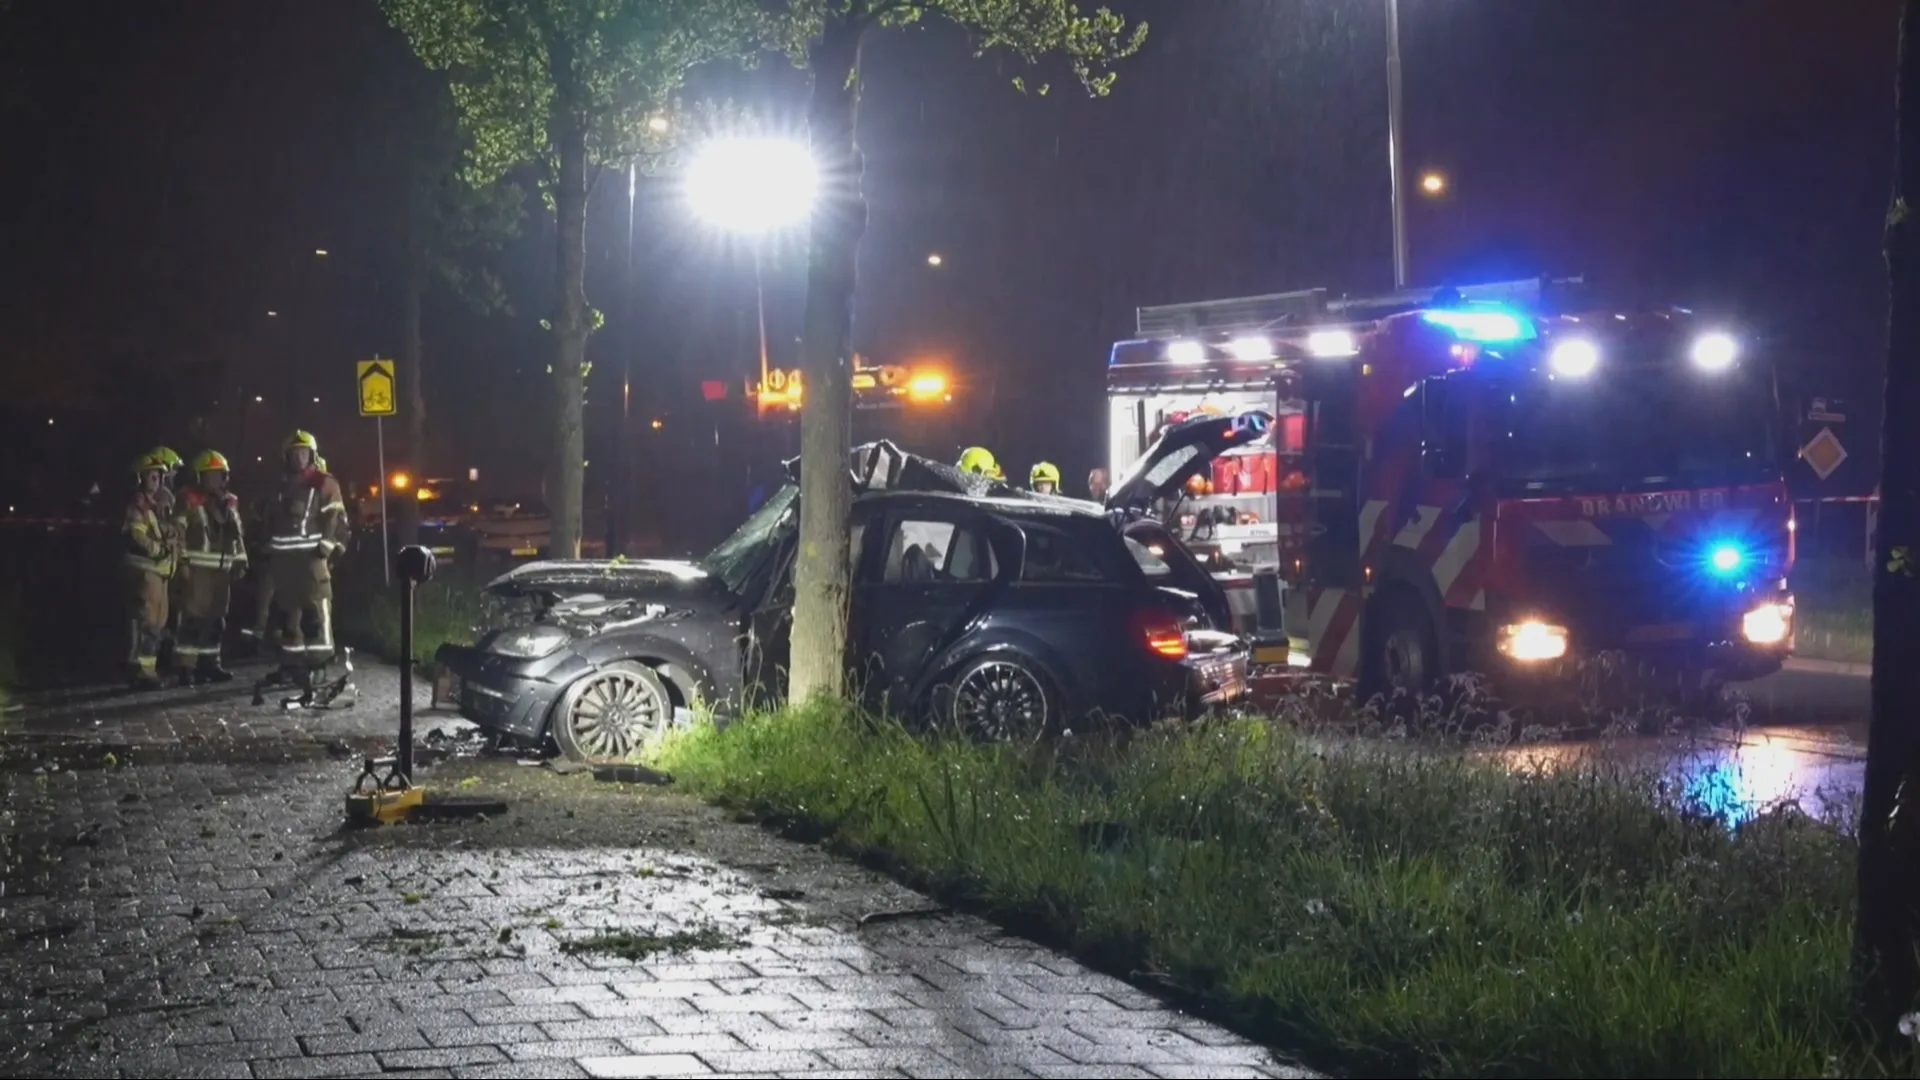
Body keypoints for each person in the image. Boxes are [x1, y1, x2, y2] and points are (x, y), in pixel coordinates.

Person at [260, 431, 347, 691]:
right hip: (285, 564)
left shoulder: (324, 483)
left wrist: (327, 547)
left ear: (312, 455)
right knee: (289, 616)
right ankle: (291, 665)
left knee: (316, 614)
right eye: (295, 453)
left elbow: (335, 517)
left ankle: (318, 665)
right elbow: (268, 519)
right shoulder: (280, 485)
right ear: (286, 456)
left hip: (311, 561)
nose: (299, 458)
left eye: (304, 453)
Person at [173, 450, 247, 685]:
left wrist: (241, 560)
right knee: (192, 620)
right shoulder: (188, 499)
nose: (215, 480)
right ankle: (186, 668)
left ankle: (210, 664)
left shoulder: (230, 502)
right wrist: (182, 563)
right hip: (197, 572)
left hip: (222, 572)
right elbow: (178, 534)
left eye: (219, 475)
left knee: (216, 620)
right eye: (210, 475)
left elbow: (237, 535)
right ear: (199, 477)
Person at [121, 452, 177, 690]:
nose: (156, 479)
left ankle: (148, 671)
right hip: (145, 571)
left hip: (160, 571)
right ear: (140, 478)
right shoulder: (138, 505)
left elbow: (170, 534)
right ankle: (141, 673)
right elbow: (137, 536)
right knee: (146, 623)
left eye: (159, 475)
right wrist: (158, 549)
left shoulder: (159, 505)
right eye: (151, 475)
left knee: (157, 623)